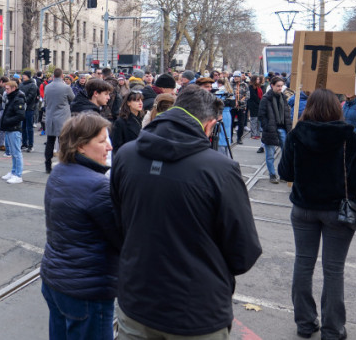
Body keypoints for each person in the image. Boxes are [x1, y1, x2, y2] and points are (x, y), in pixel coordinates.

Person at [111, 85, 261, 339]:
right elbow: (243, 251)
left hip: (137, 300)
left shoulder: (126, 155)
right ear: (209, 125)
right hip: (196, 310)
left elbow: (118, 225)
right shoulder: (220, 169)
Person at [278, 88, 356, 339]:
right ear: (337, 109)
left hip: (303, 209)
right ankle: (332, 329)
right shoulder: (351, 140)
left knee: (303, 264)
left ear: (310, 107)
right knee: (333, 270)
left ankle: (305, 324)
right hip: (339, 212)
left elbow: (286, 174)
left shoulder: (296, 136)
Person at [41, 113, 121, 340]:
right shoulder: (97, 186)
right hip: (87, 288)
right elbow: (122, 237)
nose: (109, 147)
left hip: (56, 278)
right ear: (81, 146)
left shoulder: (60, 171)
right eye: (102, 141)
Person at [259, 76, 292, 184]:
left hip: (282, 128)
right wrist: (267, 126)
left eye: (281, 86)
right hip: (271, 129)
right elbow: (262, 115)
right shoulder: (266, 98)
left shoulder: (283, 97)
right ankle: (272, 174)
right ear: (272, 85)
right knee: (270, 154)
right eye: (278, 86)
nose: (280, 88)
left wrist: (289, 128)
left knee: (285, 153)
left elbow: (287, 114)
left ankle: (282, 174)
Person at [42, 68, 75, 174]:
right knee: (63, 143)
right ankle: (63, 164)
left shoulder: (47, 87)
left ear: (53, 76)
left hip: (50, 117)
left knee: (50, 142)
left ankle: (47, 164)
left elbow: (46, 101)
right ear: (62, 76)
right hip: (63, 118)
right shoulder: (66, 88)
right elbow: (73, 99)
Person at [0, 80, 27, 184]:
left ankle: (18, 175)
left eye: (7, 89)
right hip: (10, 128)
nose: (5, 91)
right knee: (13, 152)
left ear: (13, 88)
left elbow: (20, 115)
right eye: (5, 89)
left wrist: (7, 121)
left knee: (16, 153)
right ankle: (14, 172)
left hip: (14, 129)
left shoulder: (18, 98)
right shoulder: (11, 97)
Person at [20, 71, 40, 152]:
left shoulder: (33, 85)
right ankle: (24, 143)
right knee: (23, 127)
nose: (23, 76)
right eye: (23, 75)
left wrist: (23, 101)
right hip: (21, 108)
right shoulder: (21, 84)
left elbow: (31, 96)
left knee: (29, 127)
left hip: (29, 108)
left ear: (28, 76)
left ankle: (30, 145)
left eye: (24, 75)